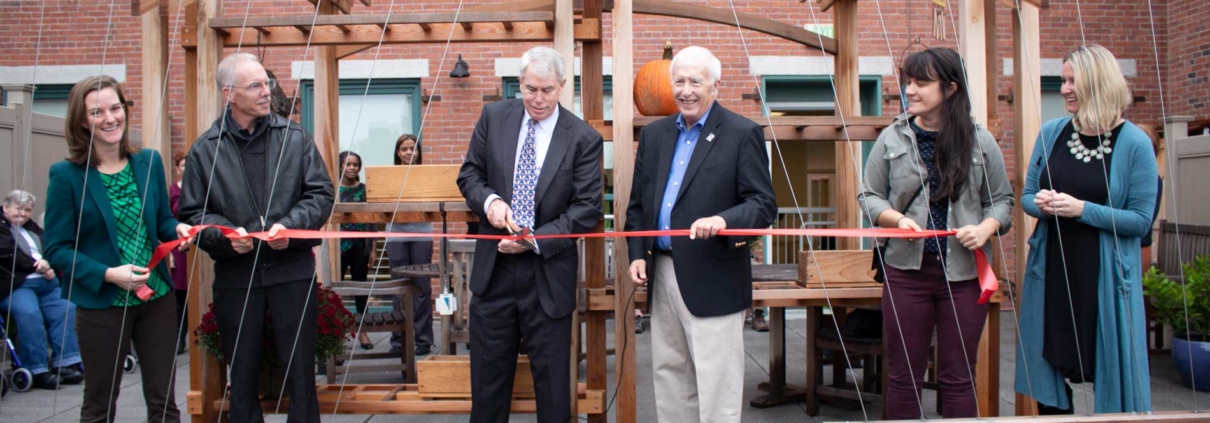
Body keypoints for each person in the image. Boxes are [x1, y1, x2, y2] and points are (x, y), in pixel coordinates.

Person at [857, 47, 1014, 419]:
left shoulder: (980, 140)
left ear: (951, 88)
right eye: (908, 81)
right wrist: (896, 220)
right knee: (903, 376)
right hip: (905, 273)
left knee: (958, 375)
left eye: (921, 83)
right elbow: (869, 194)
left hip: (964, 276)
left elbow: (1003, 201)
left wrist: (987, 227)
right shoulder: (891, 138)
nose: (910, 90)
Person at [624, 46, 777, 423]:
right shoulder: (656, 134)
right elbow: (638, 207)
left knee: (717, 383)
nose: (686, 90)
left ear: (716, 86)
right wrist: (637, 253)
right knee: (670, 378)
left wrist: (725, 220)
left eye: (696, 81)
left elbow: (763, 205)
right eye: (679, 81)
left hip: (715, 276)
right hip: (661, 274)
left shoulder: (743, 133)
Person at [180, 53, 334, 423]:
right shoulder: (204, 150)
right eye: (256, 86)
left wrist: (290, 228)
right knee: (242, 375)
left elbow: (321, 194)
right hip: (236, 276)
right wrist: (225, 237)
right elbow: (193, 214)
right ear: (228, 94)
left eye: (267, 83)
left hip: (292, 271)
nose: (268, 91)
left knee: (301, 376)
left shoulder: (296, 137)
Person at [456, 46, 603, 423]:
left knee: (554, 391)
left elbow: (587, 209)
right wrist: (489, 202)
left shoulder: (583, 139)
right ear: (519, 83)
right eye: (530, 89)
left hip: (547, 275)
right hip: (494, 272)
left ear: (562, 87)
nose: (538, 99)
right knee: (487, 387)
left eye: (547, 90)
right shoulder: (493, 117)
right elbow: (470, 174)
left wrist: (534, 239)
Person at [42, 75, 191, 423]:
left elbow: (160, 225)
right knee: (99, 403)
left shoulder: (150, 162)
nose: (110, 118)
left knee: (163, 403)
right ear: (82, 120)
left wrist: (177, 228)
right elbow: (57, 248)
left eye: (115, 107)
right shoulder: (66, 176)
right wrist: (108, 274)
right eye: (97, 112)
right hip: (101, 304)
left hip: (156, 299)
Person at [1016, 44, 1156, 414]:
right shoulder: (1052, 132)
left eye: (1071, 81)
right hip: (1054, 273)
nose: (1063, 89)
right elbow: (1027, 196)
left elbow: (1141, 221)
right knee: (1049, 366)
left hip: (1104, 275)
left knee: (1108, 365)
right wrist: (1043, 204)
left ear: (1099, 83)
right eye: (1062, 80)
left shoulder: (1135, 143)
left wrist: (1082, 210)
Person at [1, 189, 84, 390]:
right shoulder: (2, 228)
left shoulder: (33, 229)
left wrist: (50, 265)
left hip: (47, 282)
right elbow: (6, 253)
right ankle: (36, 369)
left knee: (67, 307)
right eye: (19, 209)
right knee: (30, 313)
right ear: (5, 207)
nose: (23, 214)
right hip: (17, 284)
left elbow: (50, 250)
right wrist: (37, 265)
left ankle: (66, 362)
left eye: (28, 210)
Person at [385, 134, 436, 356]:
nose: (408, 153)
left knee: (421, 287)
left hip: (421, 233)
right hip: (396, 233)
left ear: (418, 152)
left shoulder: (426, 175)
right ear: (397, 152)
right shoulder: (388, 176)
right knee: (398, 286)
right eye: (404, 149)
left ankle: (423, 339)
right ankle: (399, 341)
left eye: (412, 149)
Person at [336, 150, 377, 350]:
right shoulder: (333, 190)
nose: (352, 168)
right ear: (340, 166)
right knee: (334, 292)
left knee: (361, 290)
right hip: (338, 248)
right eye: (348, 164)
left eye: (355, 164)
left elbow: (372, 222)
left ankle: (363, 332)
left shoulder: (365, 190)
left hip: (361, 247)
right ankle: (336, 335)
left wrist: (373, 249)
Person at [168, 150, 190, 355]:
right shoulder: (173, 190)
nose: (186, 167)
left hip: (197, 246)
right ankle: (178, 338)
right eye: (183, 164)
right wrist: (170, 253)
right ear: (177, 168)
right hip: (179, 248)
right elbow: (165, 221)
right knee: (180, 297)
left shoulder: (200, 189)